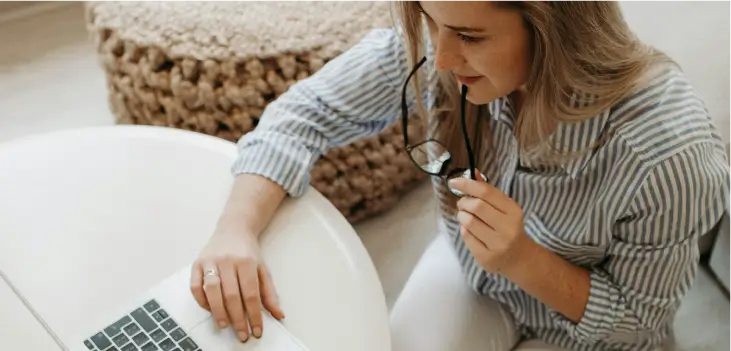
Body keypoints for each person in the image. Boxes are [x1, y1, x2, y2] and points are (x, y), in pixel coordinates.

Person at [189, 0, 731, 350]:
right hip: (472, 271)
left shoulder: (671, 159)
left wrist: (524, 259)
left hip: (595, 333)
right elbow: (304, 114)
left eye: (470, 37)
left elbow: (638, 322)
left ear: (554, 28)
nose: (441, 57)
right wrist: (235, 229)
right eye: (431, 22)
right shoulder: (441, 42)